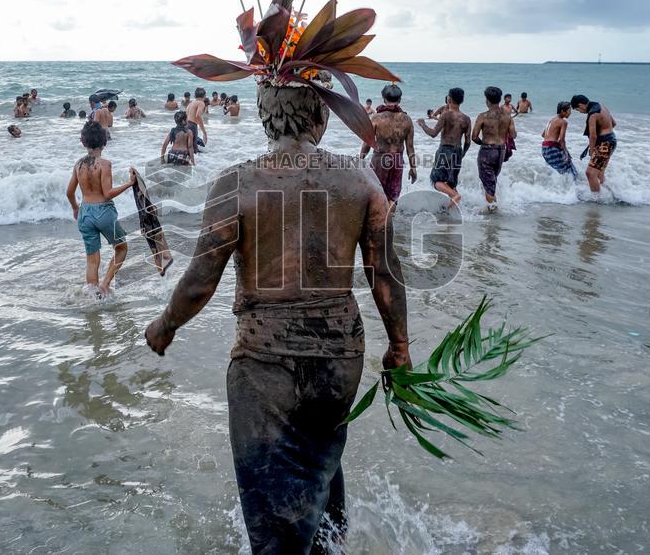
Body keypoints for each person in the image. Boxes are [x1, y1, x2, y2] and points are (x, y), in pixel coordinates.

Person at [144, 85, 411, 554]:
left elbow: (200, 280)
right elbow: (385, 274)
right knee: (320, 462)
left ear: (267, 122)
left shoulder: (237, 183)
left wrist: (165, 326)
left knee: (272, 522)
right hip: (339, 358)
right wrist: (400, 347)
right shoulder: (360, 181)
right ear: (320, 121)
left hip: (264, 362)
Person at [65, 121, 138, 297]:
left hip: (85, 213)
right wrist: (130, 183)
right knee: (121, 248)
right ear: (104, 141)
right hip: (104, 212)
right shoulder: (104, 164)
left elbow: (69, 192)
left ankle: (92, 295)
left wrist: (76, 208)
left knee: (92, 258)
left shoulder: (78, 165)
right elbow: (107, 194)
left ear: (83, 142)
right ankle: (105, 285)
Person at [360, 84, 416, 207]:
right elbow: (410, 147)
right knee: (393, 196)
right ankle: (389, 221)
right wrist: (413, 168)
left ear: (384, 99)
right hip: (397, 160)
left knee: (377, 194)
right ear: (400, 100)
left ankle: (380, 222)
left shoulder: (376, 118)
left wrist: (360, 159)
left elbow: (367, 143)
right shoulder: (407, 120)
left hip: (380, 159)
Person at [416, 87, 471, 206]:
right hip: (458, 151)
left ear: (449, 99)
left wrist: (423, 124)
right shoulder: (466, 119)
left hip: (445, 150)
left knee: (436, 181)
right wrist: (462, 154)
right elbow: (468, 141)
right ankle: (452, 209)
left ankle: (455, 196)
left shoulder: (446, 115)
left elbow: (433, 133)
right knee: (451, 183)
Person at [471, 86, 516, 207]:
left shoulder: (483, 116)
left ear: (487, 100)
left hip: (487, 151)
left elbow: (474, 137)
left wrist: (484, 143)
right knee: (492, 181)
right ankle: (493, 207)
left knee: (489, 185)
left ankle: (493, 214)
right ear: (499, 99)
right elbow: (513, 135)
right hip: (501, 151)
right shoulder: (508, 116)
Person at [571, 94, 617, 194]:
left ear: (581, 105)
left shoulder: (592, 115)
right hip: (612, 140)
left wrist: (591, 151)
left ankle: (597, 200)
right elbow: (614, 123)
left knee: (590, 173)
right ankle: (613, 194)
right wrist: (605, 130)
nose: (580, 112)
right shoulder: (602, 106)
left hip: (605, 143)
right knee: (599, 173)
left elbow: (593, 136)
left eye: (578, 110)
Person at [541, 102, 577, 179]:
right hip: (552, 148)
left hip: (544, 148)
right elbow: (562, 140)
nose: (570, 113)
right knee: (569, 168)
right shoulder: (563, 122)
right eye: (569, 111)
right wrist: (566, 153)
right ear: (562, 111)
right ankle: (576, 188)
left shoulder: (551, 120)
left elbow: (543, 135)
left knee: (556, 170)